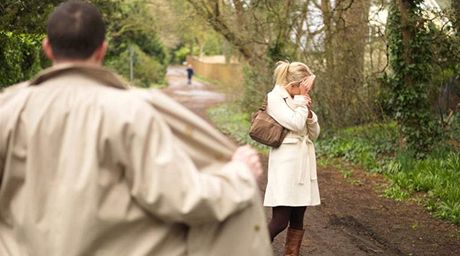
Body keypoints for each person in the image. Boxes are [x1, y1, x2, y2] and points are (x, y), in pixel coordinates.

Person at [0, 1, 272, 255]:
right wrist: (239, 174)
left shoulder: (8, 108)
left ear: (47, 48)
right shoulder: (131, 111)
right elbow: (180, 198)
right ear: (102, 49)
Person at [263, 61, 320, 256]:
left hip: (303, 161)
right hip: (286, 164)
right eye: (304, 87)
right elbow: (295, 124)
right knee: (280, 220)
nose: (306, 91)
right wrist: (302, 103)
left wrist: (311, 115)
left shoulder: (297, 99)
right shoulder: (275, 98)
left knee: (297, 219)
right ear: (293, 84)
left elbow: (314, 134)